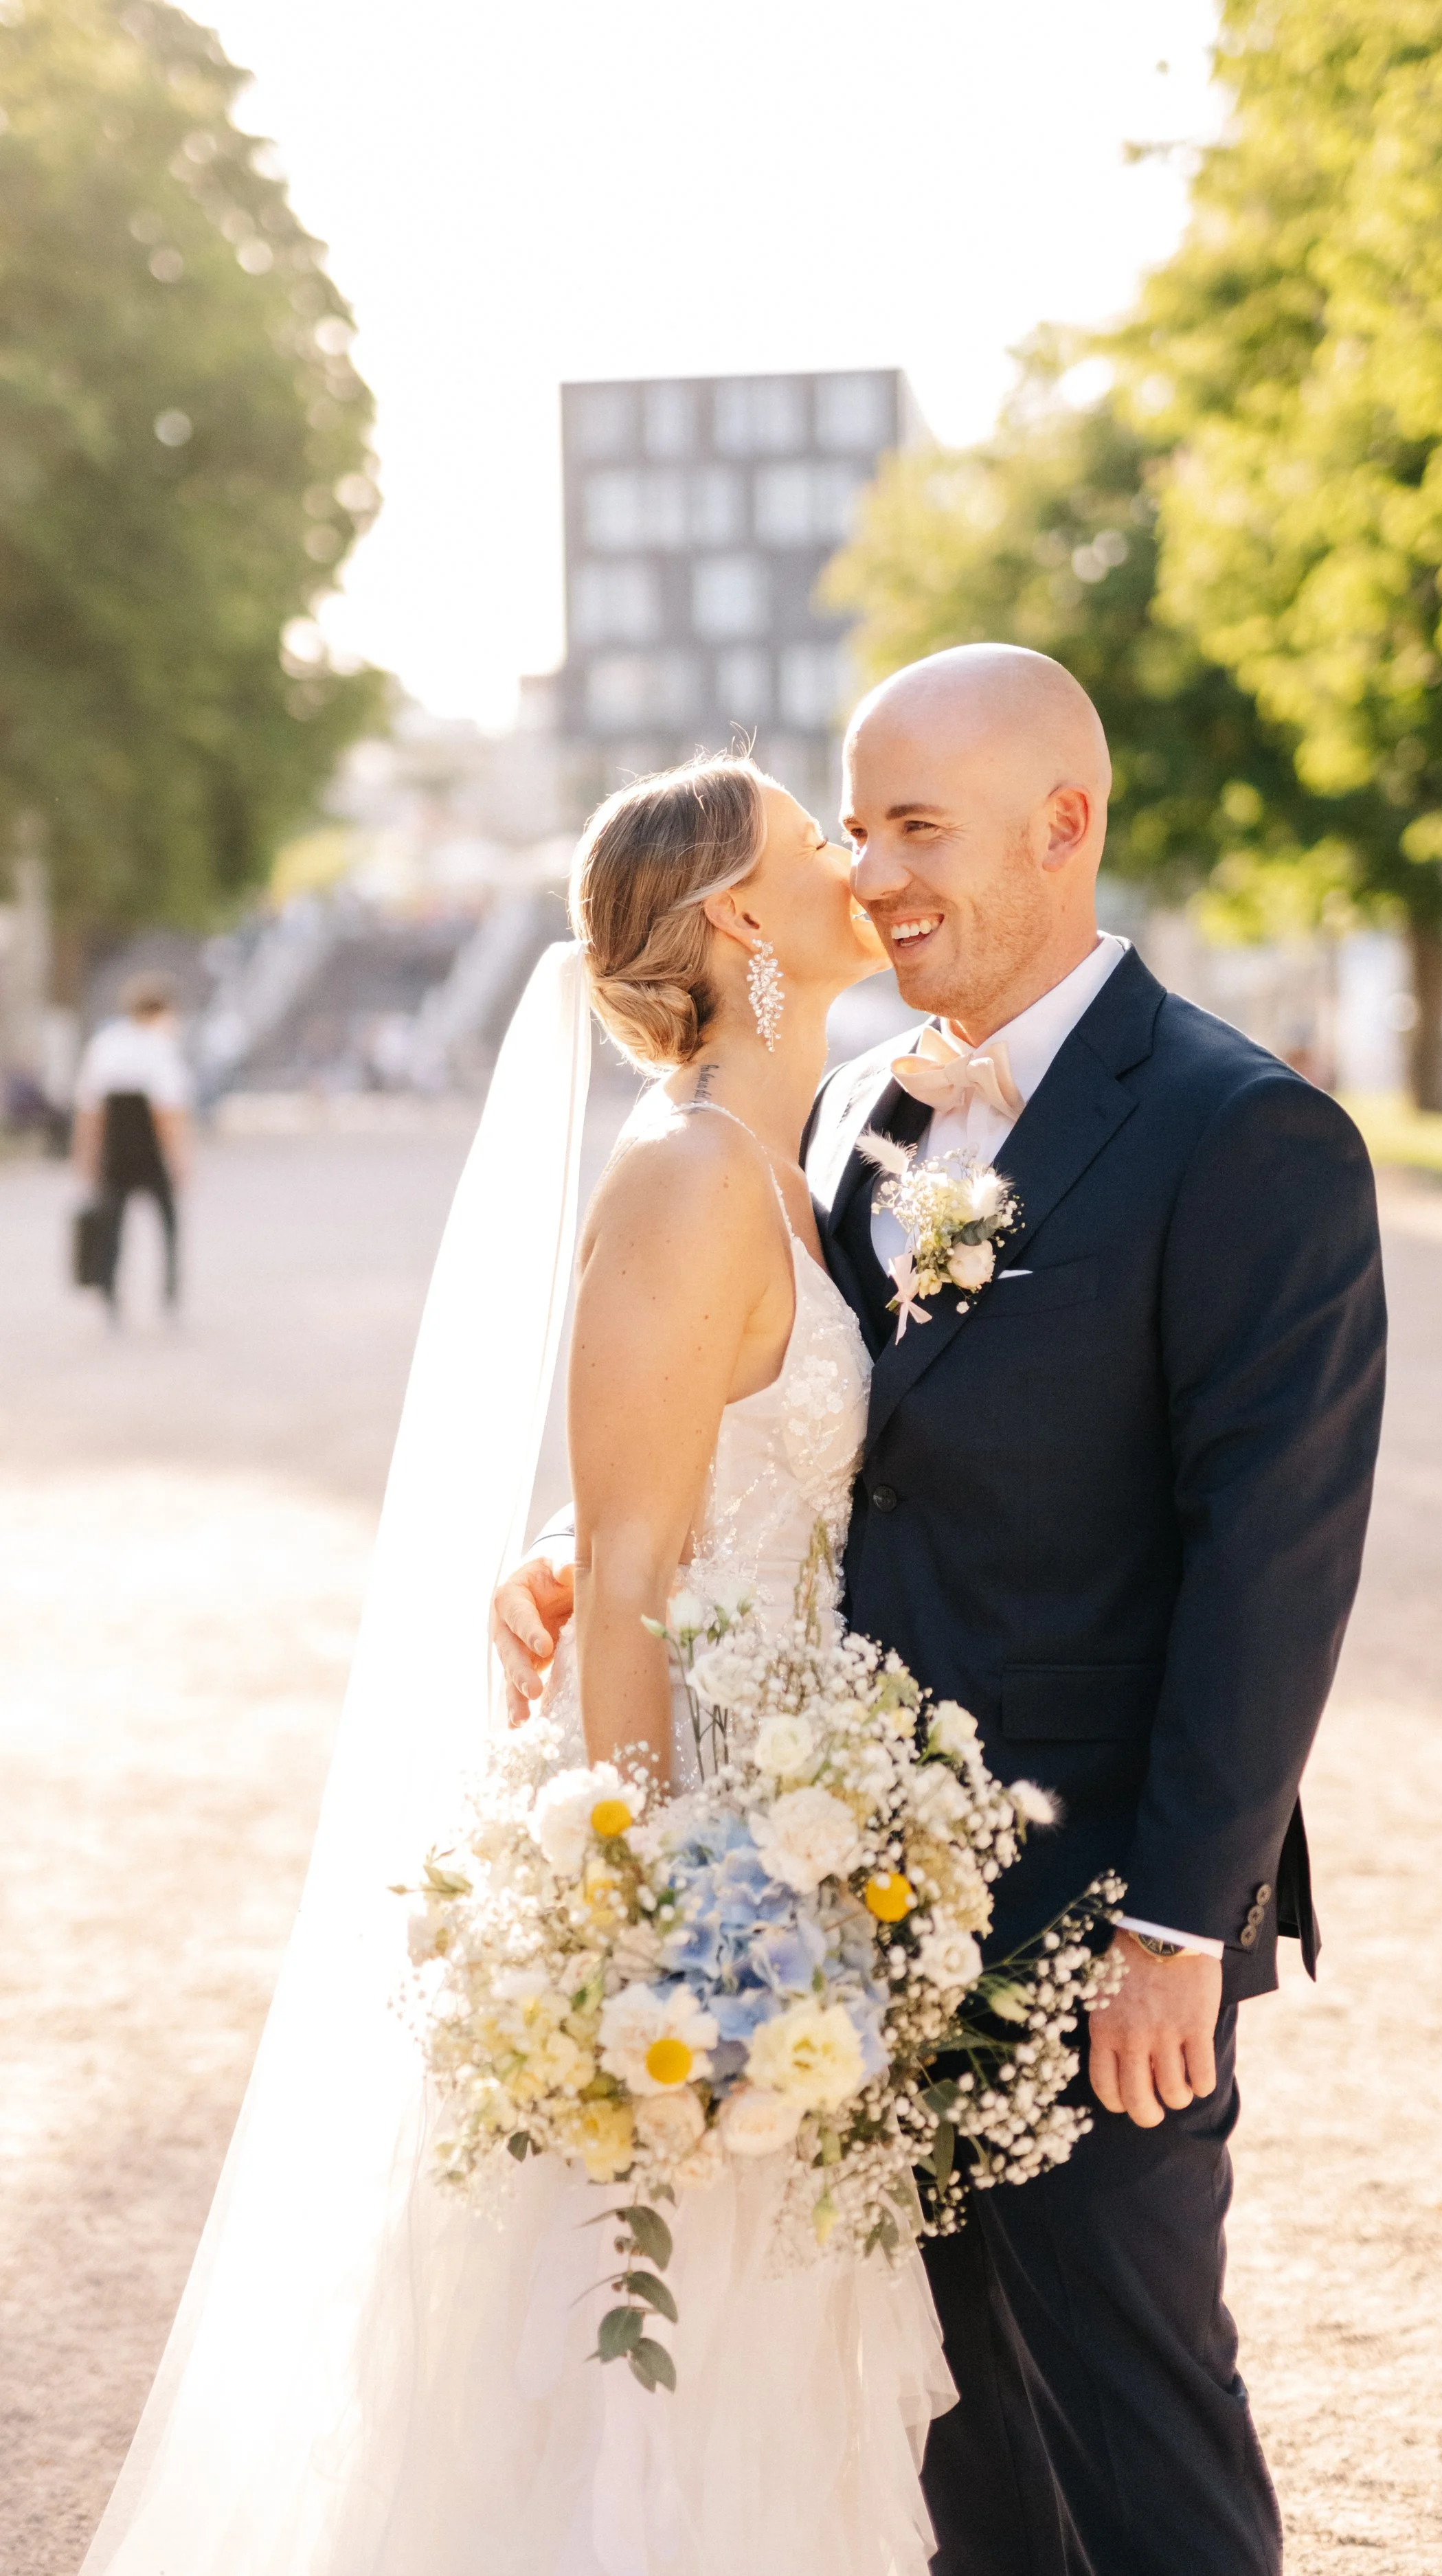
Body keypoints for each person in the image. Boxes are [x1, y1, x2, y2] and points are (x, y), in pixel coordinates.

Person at [498, 646, 1388, 2575]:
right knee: (946, 2451)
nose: (880, 870)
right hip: (838, 1908)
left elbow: (1273, 1563)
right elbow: (784, 1436)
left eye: (917, 826)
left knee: (1139, 2429)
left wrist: (1175, 1920)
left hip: (1090, 1929)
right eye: (857, 821)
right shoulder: (828, 1126)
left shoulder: (1246, 1138)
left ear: (1063, 825)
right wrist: (591, 1552)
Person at [81, 756, 951, 2576]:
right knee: (629, 2359)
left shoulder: (791, 1175)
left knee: (745, 2367)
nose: (860, 861)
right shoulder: (687, 1172)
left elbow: (661, 1489)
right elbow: (634, 1563)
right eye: (821, 842)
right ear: (737, 916)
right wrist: (636, 1921)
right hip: (697, 1850)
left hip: (789, 1827)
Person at [71, 973, 192, 1315]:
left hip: (115, 1150)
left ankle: (109, 1289)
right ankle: (169, 1290)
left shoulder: (105, 1044)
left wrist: (86, 1155)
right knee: (168, 1224)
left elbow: (90, 1112)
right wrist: (181, 1160)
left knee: (113, 1225)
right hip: (151, 1152)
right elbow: (168, 1115)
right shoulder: (161, 1048)